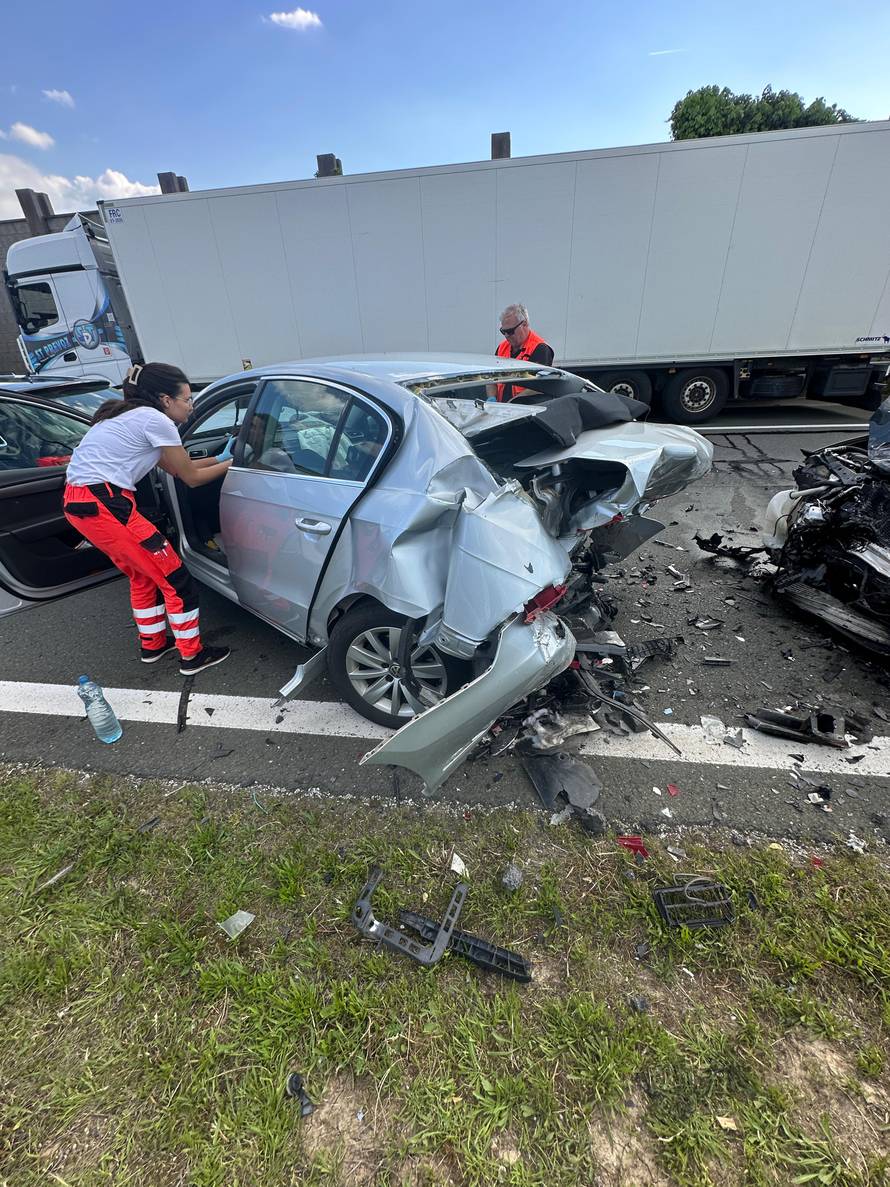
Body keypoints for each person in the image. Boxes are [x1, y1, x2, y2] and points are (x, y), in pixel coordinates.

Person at [63, 362, 234, 675]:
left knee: (144, 575)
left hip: (83, 502)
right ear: (166, 400)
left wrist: (220, 458)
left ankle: (153, 645)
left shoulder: (129, 416)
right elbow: (192, 477)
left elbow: (175, 467)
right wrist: (234, 462)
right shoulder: (156, 420)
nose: (191, 406)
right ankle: (192, 656)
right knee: (176, 578)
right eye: (188, 399)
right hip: (106, 504)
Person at [494, 303, 555, 401]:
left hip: (527, 409)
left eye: (510, 331)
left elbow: (539, 385)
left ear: (524, 324)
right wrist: (491, 397)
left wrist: (514, 402)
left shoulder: (540, 349)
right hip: (503, 408)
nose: (506, 335)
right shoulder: (502, 347)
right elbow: (490, 377)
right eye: (503, 331)